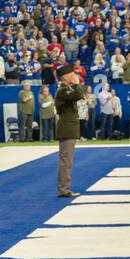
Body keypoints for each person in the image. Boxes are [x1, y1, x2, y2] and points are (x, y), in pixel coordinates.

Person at [54, 67, 84, 198]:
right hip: (67, 128)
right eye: (72, 74)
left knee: (66, 160)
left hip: (69, 128)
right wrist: (77, 83)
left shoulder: (66, 90)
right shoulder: (62, 91)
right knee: (66, 161)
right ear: (66, 77)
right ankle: (63, 189)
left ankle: (64, 188)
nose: (74, 76)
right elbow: (78, 95)